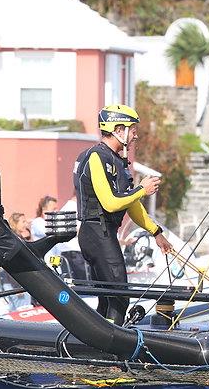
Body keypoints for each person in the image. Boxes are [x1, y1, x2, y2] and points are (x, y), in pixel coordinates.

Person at [73, 104, 174, 325]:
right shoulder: (96, 157)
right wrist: (142, 189)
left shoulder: (118, 160)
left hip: (105, 232)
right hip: (95, 231)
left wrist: (156, 232)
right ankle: (112, 355)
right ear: (119, 129)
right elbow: (110, 203)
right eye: (133, 129)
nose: (136, 134)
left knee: (109, 299)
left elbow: (132, 204)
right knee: (119, 297)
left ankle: (99, 351)